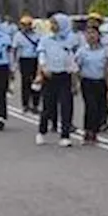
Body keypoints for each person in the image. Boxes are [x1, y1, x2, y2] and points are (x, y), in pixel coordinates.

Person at [35, 13, 78, 147]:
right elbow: (42, 54)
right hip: (50, 75)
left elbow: (72, 60)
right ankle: (41, 132)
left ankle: (65, 135)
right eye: (52, 23)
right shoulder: (46, 39)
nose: (53, 26)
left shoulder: (71, 39)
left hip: (64, 76)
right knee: (48, 105)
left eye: (55, 24)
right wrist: (43, 68)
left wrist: (74, 81)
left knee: (66, 106)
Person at [75, 24, 108, 144]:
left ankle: (94, 131)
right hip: (87, 81)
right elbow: (77, 67)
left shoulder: (105, 50)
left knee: (100, 107)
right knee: (91, 106)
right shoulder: (82, 51)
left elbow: (107, 67)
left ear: (98, 35)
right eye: (88, 33)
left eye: (93, 33)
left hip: (101, 81)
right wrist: (76, 83)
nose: (91, 36)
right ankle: (88, 131)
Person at [13, 15, 42, 115]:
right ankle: (25, 104)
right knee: (25, 82)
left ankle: (35, 104)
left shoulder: (37, 35)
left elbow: (40, 48)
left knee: (36, 82)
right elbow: (15, 49)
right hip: (24, 60)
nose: (26, 27)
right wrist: (14, 62)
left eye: (28, 25)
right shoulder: (18, 36)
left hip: (35, 59)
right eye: (23, 25)